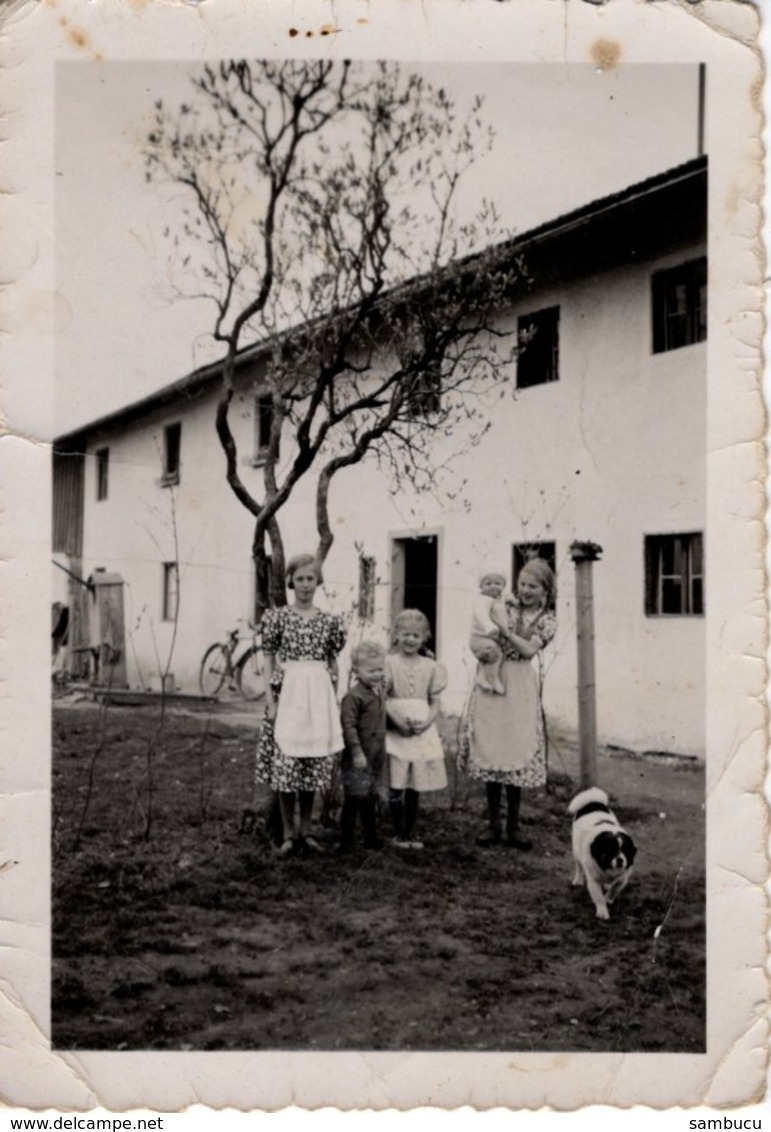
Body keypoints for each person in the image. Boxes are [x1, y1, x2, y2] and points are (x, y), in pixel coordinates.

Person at [254, 553, 346, 857]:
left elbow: (332, 662)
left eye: (311, 578)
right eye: (300, 579)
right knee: (287, 764)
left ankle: (307, 832)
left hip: (317, 696)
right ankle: (289, 834)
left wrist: (333, 695)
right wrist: (270, 699)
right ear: (290, 581)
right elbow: (268, 659)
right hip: (289, 693)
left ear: (317, 582)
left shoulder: (329, 622)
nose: (306, 585)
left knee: (311, 765)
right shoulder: (278, 617)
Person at [463, 558, 556, 850]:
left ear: (545, 591)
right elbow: (480, 616)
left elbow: (528, 650)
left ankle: (514, 825)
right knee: (492, 745)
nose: (526, 591)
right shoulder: (505, 604)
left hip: (519, 685)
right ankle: (493, 824)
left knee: (516, 747)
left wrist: (504, 632)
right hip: (494, 675)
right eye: (523, 585)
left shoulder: (547, 619)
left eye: (533, 587)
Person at [385, 609, 448, 850]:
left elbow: (435, 701)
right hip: (397, 726)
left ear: (424, 638)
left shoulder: (431, 666)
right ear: (396, 636)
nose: (410, 640)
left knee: (415, 782)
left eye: (416, 635)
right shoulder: (389, 663)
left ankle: (409, 833)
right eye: (405, 634)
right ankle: (397, 832)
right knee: (396, 779)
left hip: (421, 728)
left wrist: (429, 721)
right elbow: (382, 697)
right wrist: (397, 722)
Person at [338, 640, 387, 852]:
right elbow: (348, 727)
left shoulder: (378, 692)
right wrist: (357, 753)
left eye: (380, 669)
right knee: (353, 799)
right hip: (358, 758)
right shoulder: (353, 696)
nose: (377, 674)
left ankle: (370, 839)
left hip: (375, 756)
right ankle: (346, 842)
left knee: (369, 798)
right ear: (357, 670)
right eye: (371, 670)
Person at [469, 570, 515, 694]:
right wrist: (489, 627)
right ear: (481, 587)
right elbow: (480, 614)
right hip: (480, 638)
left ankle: (482, 677)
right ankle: (493, 679)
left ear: (503, 586)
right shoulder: (482, 600)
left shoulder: (500, 597)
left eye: (498, 583)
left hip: (488, 639)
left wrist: (512, 600)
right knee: (496, 655)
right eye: (488, 584)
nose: (493, 586)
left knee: (489, 658)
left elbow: (507, 597)